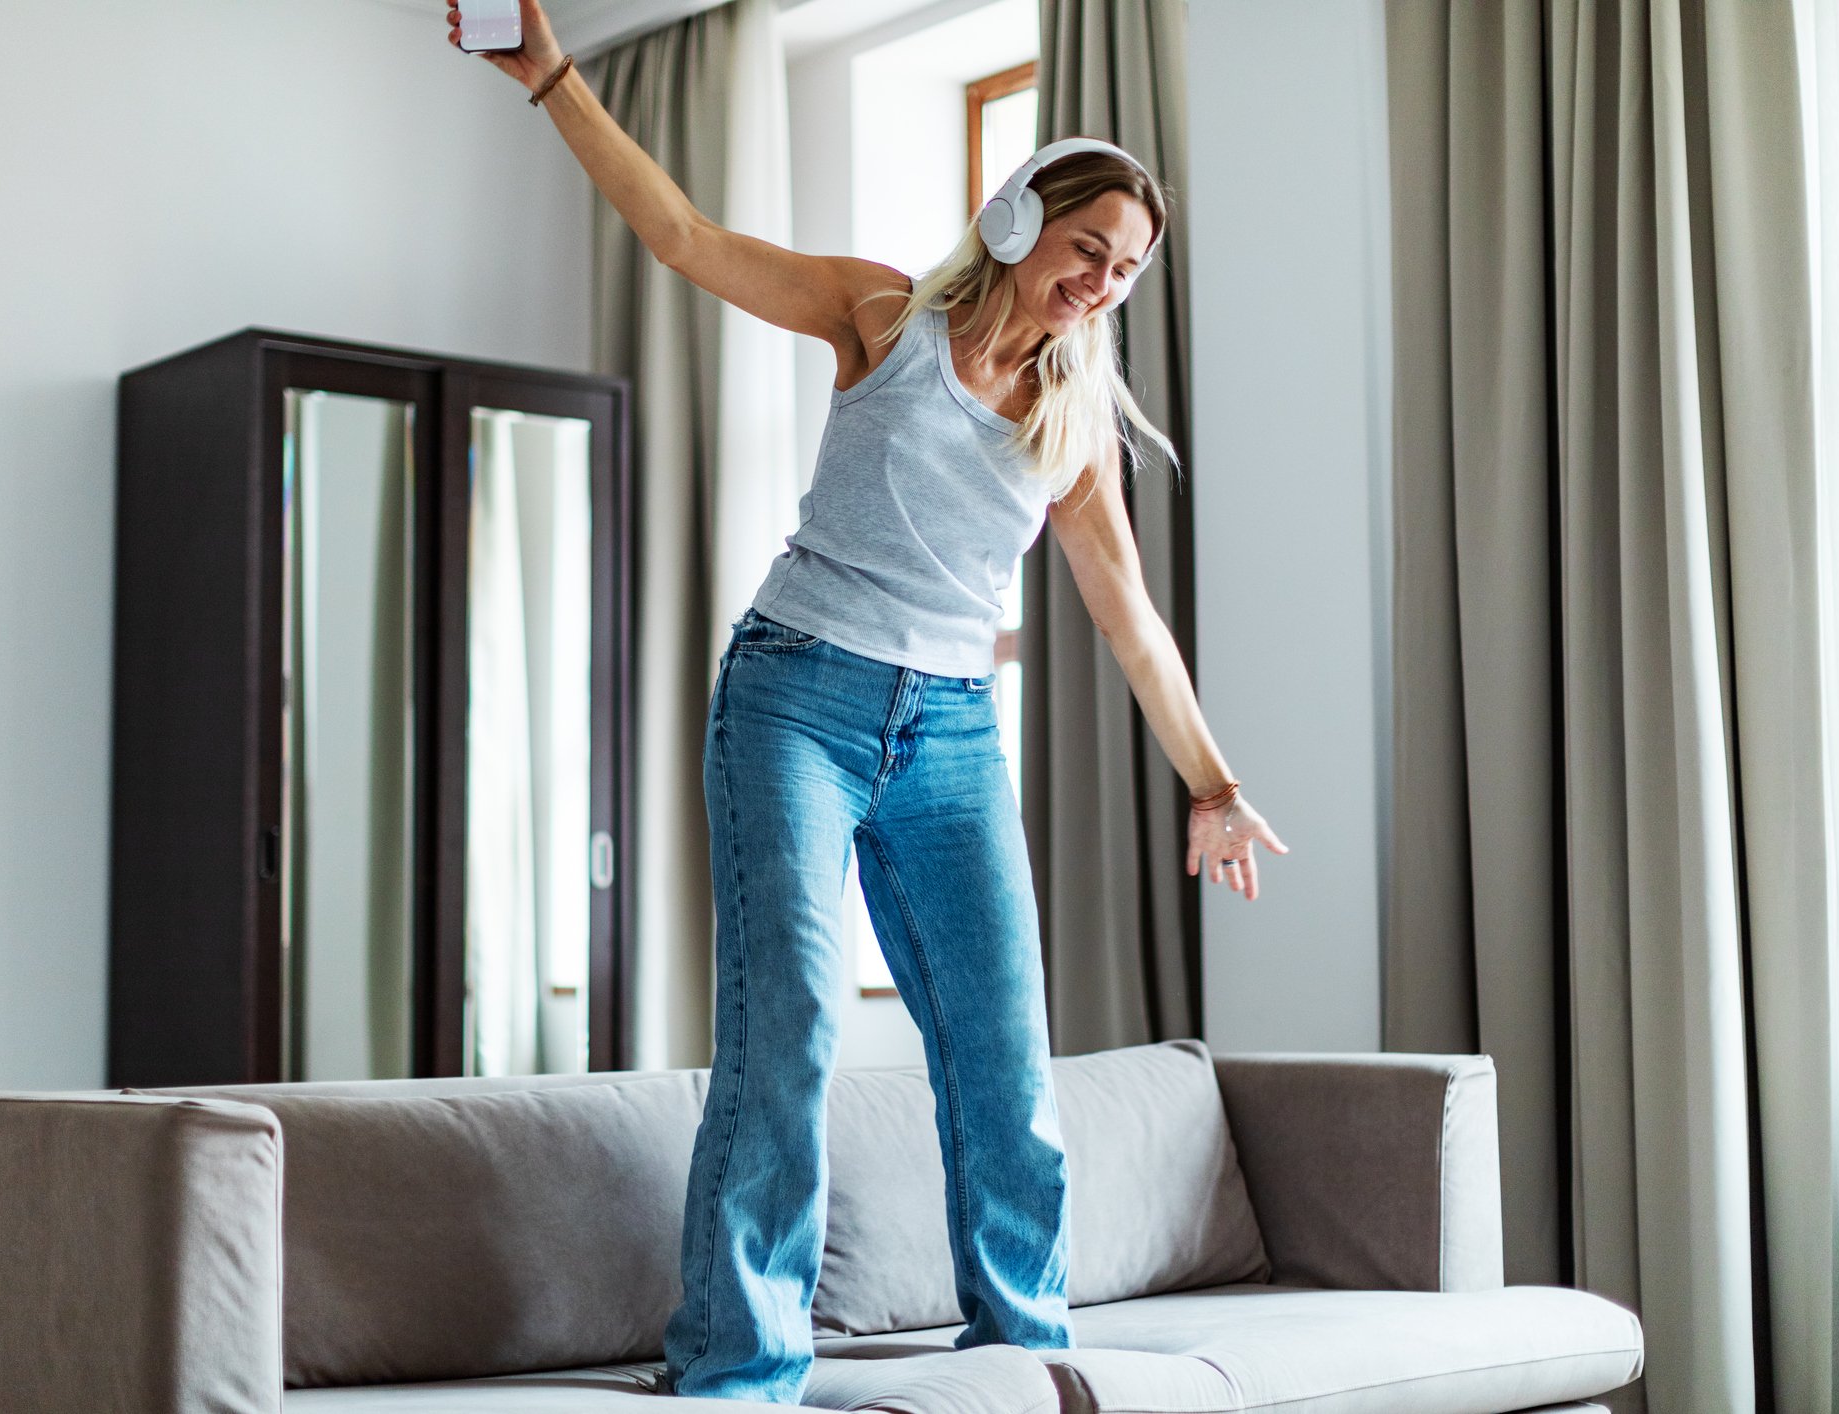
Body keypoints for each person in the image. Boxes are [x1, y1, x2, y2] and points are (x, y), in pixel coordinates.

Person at [446, 0, 1290, 1401]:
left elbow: (1130, 622)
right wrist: (553, 83)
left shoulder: (1069, 429)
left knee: (1003, 1049)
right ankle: (737, 1365)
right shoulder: (882, 314)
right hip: (794, 698)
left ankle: (1021, 1349)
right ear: (1018, 218)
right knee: (788, 1032)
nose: (1102, 282)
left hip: (951, 732)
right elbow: (688, 240)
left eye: (1127, 270)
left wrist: (1212, 780)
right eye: (1089, 246)